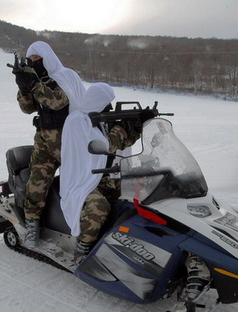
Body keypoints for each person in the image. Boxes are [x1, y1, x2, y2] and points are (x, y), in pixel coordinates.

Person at [59, 83, 145, 263]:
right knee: (99, 207)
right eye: (106, 104)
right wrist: (122, 127)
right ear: (97, 102)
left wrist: (136, 127)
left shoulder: (103, 122)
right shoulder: (77, 121)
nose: (110, 108)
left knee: (140, 197)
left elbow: (123, 142)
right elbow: (107, 144)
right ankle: (82, 249)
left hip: (107, 175)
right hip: (82, 180)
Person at [12, 41, 86, 248]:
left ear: (48, 59)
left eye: (39, 60)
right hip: (43, 143)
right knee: (36, 186)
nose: (35, 64)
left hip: (68, 142)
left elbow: (58, 101)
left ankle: (82, 228)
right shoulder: (36, 80)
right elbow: (27, 109)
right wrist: (24, 87)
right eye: (31, 61)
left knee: (77, 186)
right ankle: (32, 225)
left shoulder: (65, 76)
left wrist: (35, 85)